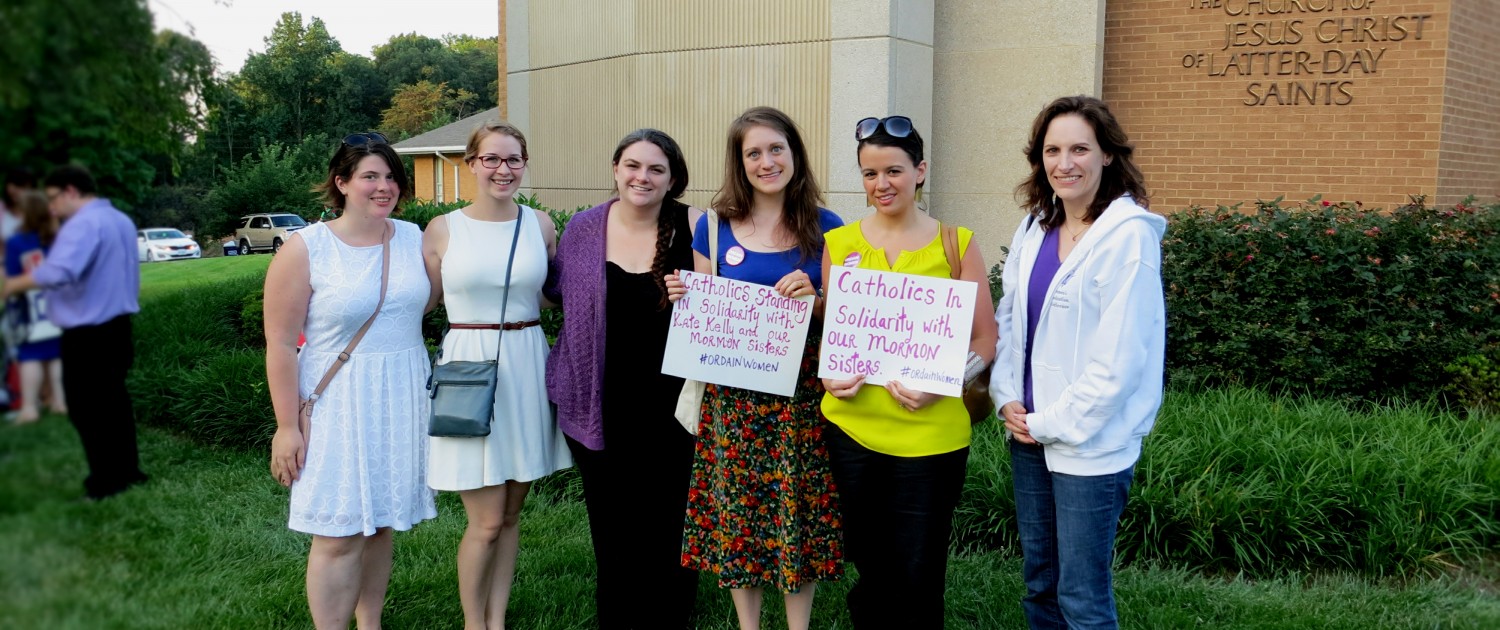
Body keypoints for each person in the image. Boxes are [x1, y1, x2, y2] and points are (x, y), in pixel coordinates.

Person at [993, 95, 1165, 630]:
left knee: (1082, 597)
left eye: (1079, 149)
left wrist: (1048, 422)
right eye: (1052, 150)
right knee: (1040, 583)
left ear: (1108, 155)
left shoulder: (1128, 237)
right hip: (1028, 435)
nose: (1064, 163)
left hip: (1091, 446)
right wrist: (1007, 399)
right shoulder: (1035, 228)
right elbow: (1010, 321)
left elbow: (1120, 361)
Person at [668, 106, 844, 630]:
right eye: (753, 154)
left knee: (795, 507)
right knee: (738, 511)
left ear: (794, 154)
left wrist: (814, 298)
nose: (766, 162)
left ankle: (798, 626)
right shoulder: (714, 227)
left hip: (801, 395)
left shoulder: (829, 226)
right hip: (733, 397)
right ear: (739, 163)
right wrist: (683, 296)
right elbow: (702, 312)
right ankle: (748, 626)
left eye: (775, 150)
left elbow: (842, 316)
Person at [819, 116, 998, 629]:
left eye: (893, 171)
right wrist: (831, 376)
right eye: (870, 174)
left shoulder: (955, 243)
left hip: (932, 438)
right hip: (853, 431)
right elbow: (838, 335)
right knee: (871, 569)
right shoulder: (840, 244)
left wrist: (944, 377)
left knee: (919, 574)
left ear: (919, 172)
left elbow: (985, 340)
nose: (882, 185)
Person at [264, 132, 437, 630]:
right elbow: (278, 344)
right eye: (370, 177)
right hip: (337, 401)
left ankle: (371, 623)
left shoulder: (413, 237)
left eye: (390, 177)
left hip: (400, 393)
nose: (384, 187)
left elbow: (425, 304)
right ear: (341, 183)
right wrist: (286, 427)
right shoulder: (306, 248)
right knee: (339, 532)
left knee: (380, 521)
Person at [544, 129, 703, 629]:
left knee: (672, 518)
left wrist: (696, 292)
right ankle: (617, 614)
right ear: (615, 169)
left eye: (657, 169)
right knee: (612, 524)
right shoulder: (586, 229)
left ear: (673, 178)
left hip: (676, 403)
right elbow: (556, 293)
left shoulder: (696, 226)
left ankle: (672, 614)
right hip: (600, 398)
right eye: (633, 165)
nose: (643, 177)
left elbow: (724, 300)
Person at [421, 120, 572, 629]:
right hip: (470, 367)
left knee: (510, 517)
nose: (503, 169)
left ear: (524, 165)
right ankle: (473, 623)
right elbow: (418, 303)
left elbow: (554, 295)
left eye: (513, 160)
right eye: (492, 159)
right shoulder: (443, 229)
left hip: (527, 362)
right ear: (471, 164)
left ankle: (497, 619)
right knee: (485, 522)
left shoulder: (542, 224)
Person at [3, 165, 144, 499]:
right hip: (117, 328)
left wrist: (12, 284)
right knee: (115, 403)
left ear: (70, 191)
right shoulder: (119, 219)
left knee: (86, 408)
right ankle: (129, 471)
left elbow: (59, 272)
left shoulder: (82, 224)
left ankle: (105, 481)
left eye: (53, 198)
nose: (51, 207)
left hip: (88, 333)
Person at [4, 189, 65, 424]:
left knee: (30, 355)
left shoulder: (17, 241)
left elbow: (13, 276)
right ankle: (60, 402)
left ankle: (29, 407)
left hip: (30, 306)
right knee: (57, 354)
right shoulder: (56, 237)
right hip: (57, 303)